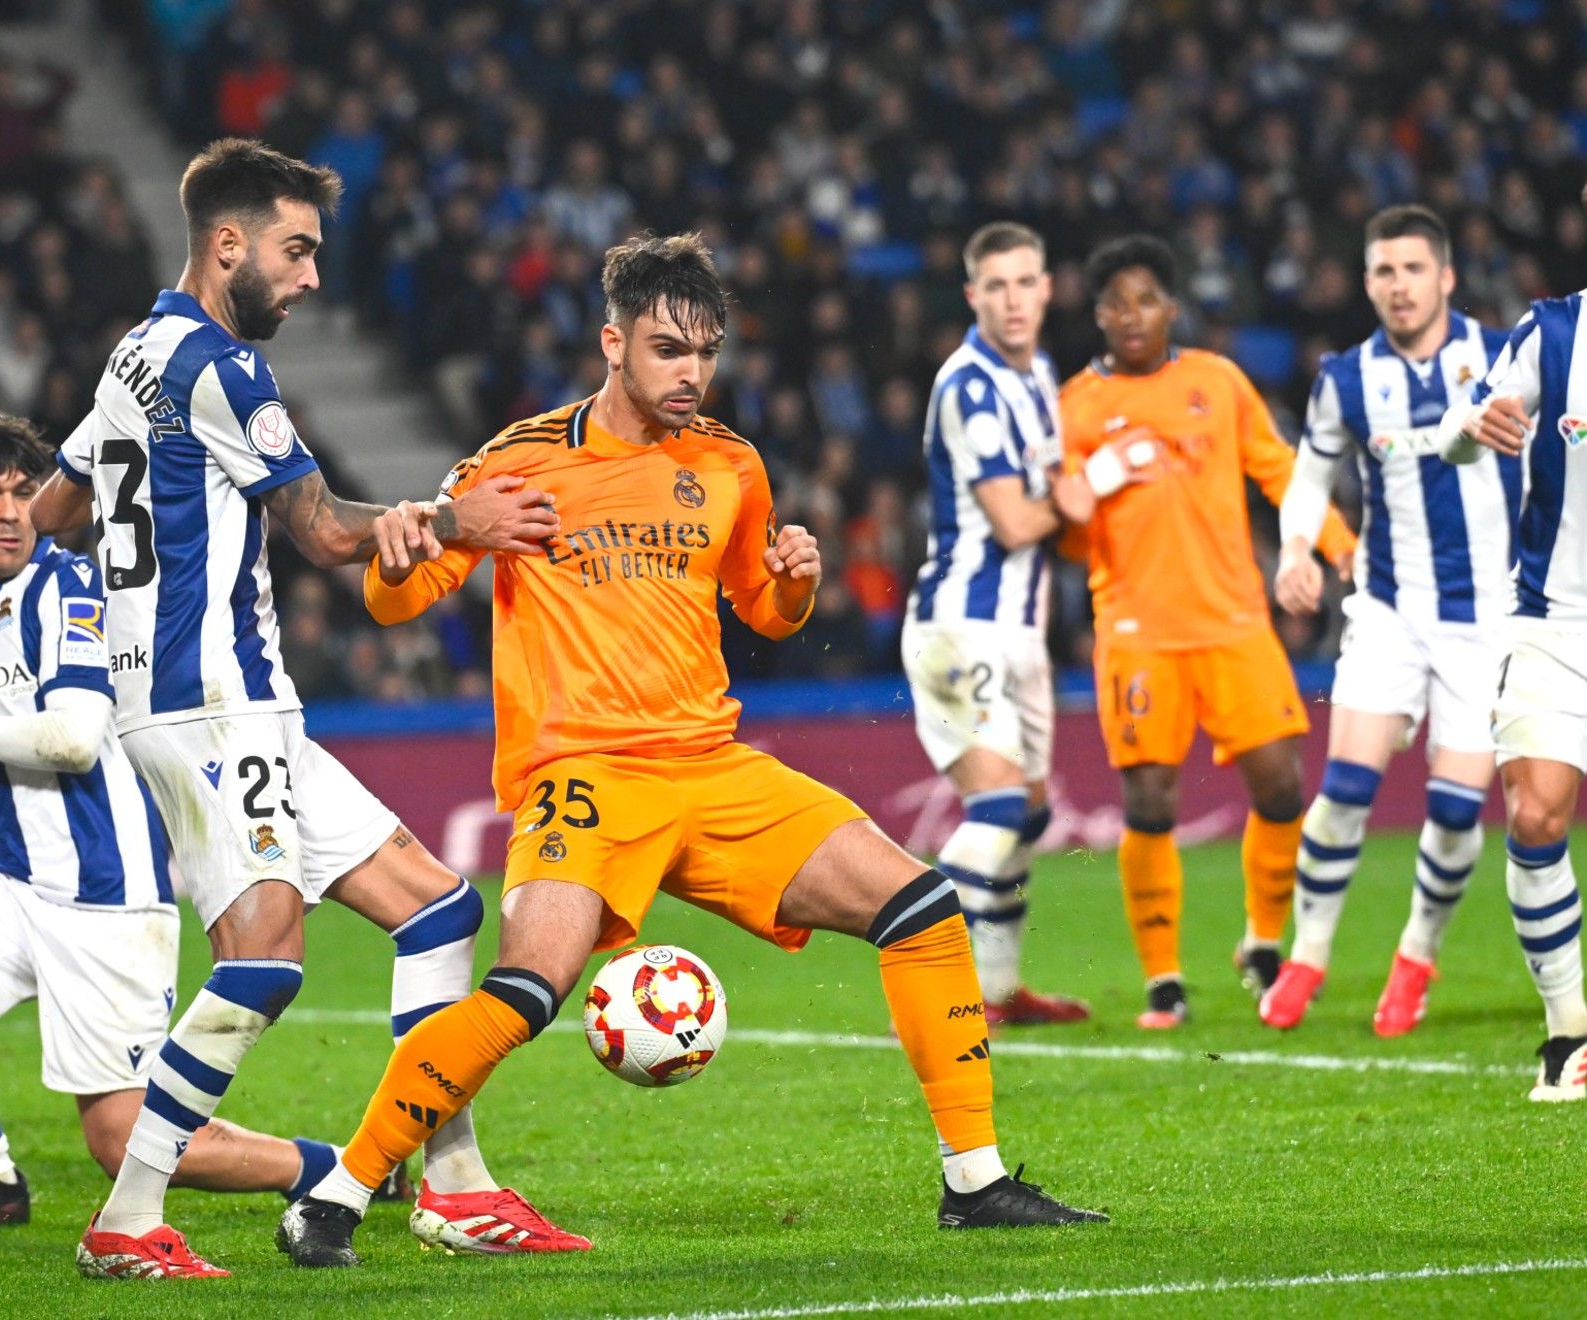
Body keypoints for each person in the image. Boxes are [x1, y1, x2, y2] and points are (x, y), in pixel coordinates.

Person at [277, 232, 1105, 1270]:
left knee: (925, 911)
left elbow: (767, 607)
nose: (691, 373)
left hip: (712, 771)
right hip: (584, 776)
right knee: (529, 991)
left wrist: (796, 579)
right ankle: (338, 1197)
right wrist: (441, 532)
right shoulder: (523, 457)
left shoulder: (727, 463)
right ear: (612, 342)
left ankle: (975, 1185)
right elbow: (393, 599)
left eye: (706, 352)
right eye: (669, 350)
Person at [25, 138, 573, 1278]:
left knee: (436, 910)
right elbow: (323, 533)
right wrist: (459, 518)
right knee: (265, 959)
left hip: (228, 703)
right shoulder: (221, 367)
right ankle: (126, 1220)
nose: (313, 277)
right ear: (227, 245)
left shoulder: (133, 350)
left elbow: (53, 502)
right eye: (297, 250)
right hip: (209, 703)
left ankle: (454, 1187)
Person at [0, 410, 402, 1234]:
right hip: (7, 881)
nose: (11, 512)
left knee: (122, 1143)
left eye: (24, 492)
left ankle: (333, 1166)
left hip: (108, 895)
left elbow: (75, 739)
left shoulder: (76, 587)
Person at [1052, 235, 1357, 1029]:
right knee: (1149, 801)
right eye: (1115, 302)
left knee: (1283, 785)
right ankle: (1163, 979)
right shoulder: (1075, 406)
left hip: (1234, 621)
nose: (1131, 314)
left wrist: (1343, 545)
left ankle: (1261, 941)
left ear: (1172, 306)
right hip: (1136, 628)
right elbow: (1067, 536)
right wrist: (1094, 480)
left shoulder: (1217, 383)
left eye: (1146, 298)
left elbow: (1282, 471)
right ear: (1096, 314)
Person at [1260, 206, 1515, 1035]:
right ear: (1367, 282)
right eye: (1383, 272)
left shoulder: (1503, 358)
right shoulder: (1345, 378)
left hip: (1489, 619)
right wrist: (1297, 546)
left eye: (1414, 270)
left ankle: (1415, 957)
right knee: (1344, 794)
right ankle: (1307, 954)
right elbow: (1311, 473)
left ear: (1445, 277)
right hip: (1388, 611)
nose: (1398, 286)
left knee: (1452, 811)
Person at [901, 221, 1086, 1027]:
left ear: (1046, 290)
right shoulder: (969, 386)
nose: (1013, 300)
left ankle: (1002, 993)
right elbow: (1015, 522)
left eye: (1026, 284)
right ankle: (933, 984)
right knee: (1001, 810)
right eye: (996, 287)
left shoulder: (1039, 372)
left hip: (1019, 632)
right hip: (958, 628)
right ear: (974, 296)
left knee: (1032, 812)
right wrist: (1098, 482)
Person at [1432, 217, 1587, 1100]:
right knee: (1534, 816)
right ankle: (1568, 1036)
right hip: (1553, 625)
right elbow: (1461, 430)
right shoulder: (1553, 331)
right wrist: (1473, 423)